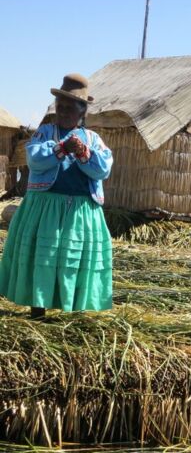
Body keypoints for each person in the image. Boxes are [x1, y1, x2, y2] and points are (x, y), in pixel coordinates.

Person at [0, 73, 113, 318]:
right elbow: (35, 159)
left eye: (69, 108)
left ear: (82, 111)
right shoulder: (45, 133)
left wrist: (83, 152)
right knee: (44, 256)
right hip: (46, 207)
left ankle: (75, 311)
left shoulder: (93, 139)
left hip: (81, 212)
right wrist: (62, 148)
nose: (62, 112)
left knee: (75, 260)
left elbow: (102, 169)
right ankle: (38, 311)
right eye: (59, 107)